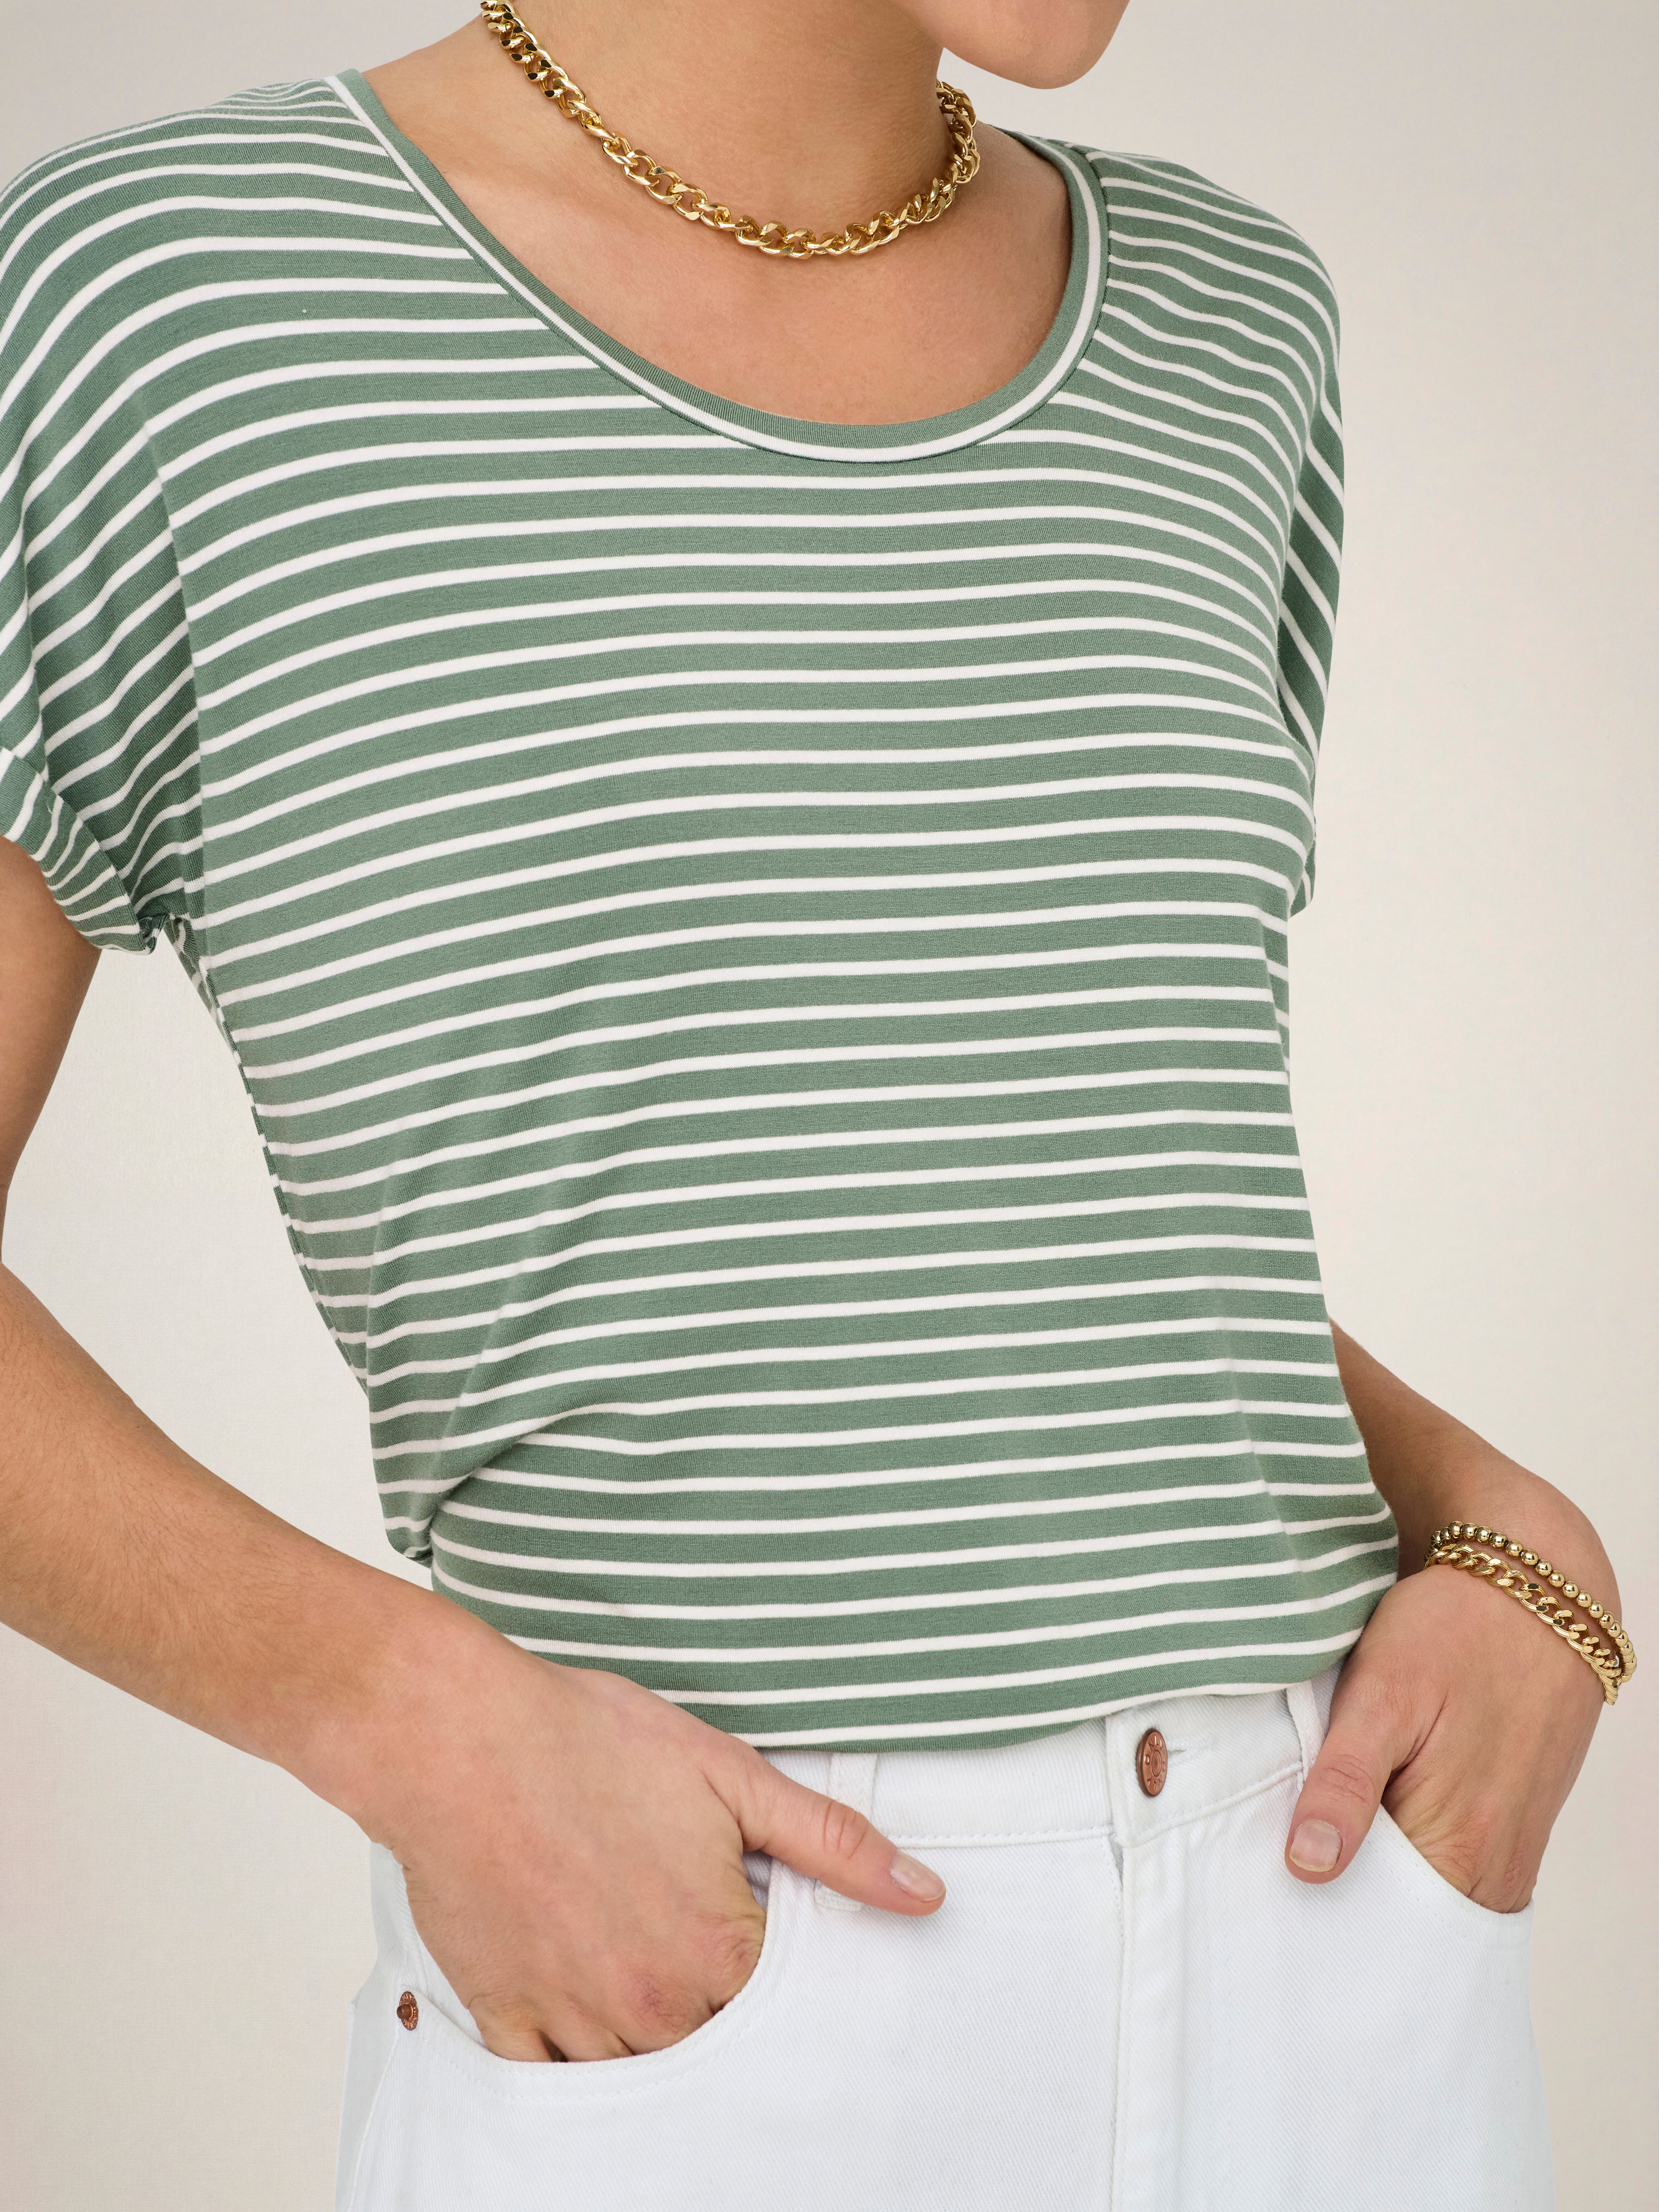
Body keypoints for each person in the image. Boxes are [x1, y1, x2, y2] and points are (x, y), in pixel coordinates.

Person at [0, 3, 1633, 2206]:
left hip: (1339, 1933)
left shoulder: (1229, 323)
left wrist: (1501, 1528)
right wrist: (405, 1719)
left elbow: (994, 1180)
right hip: (705, 1967)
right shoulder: (168, 302)